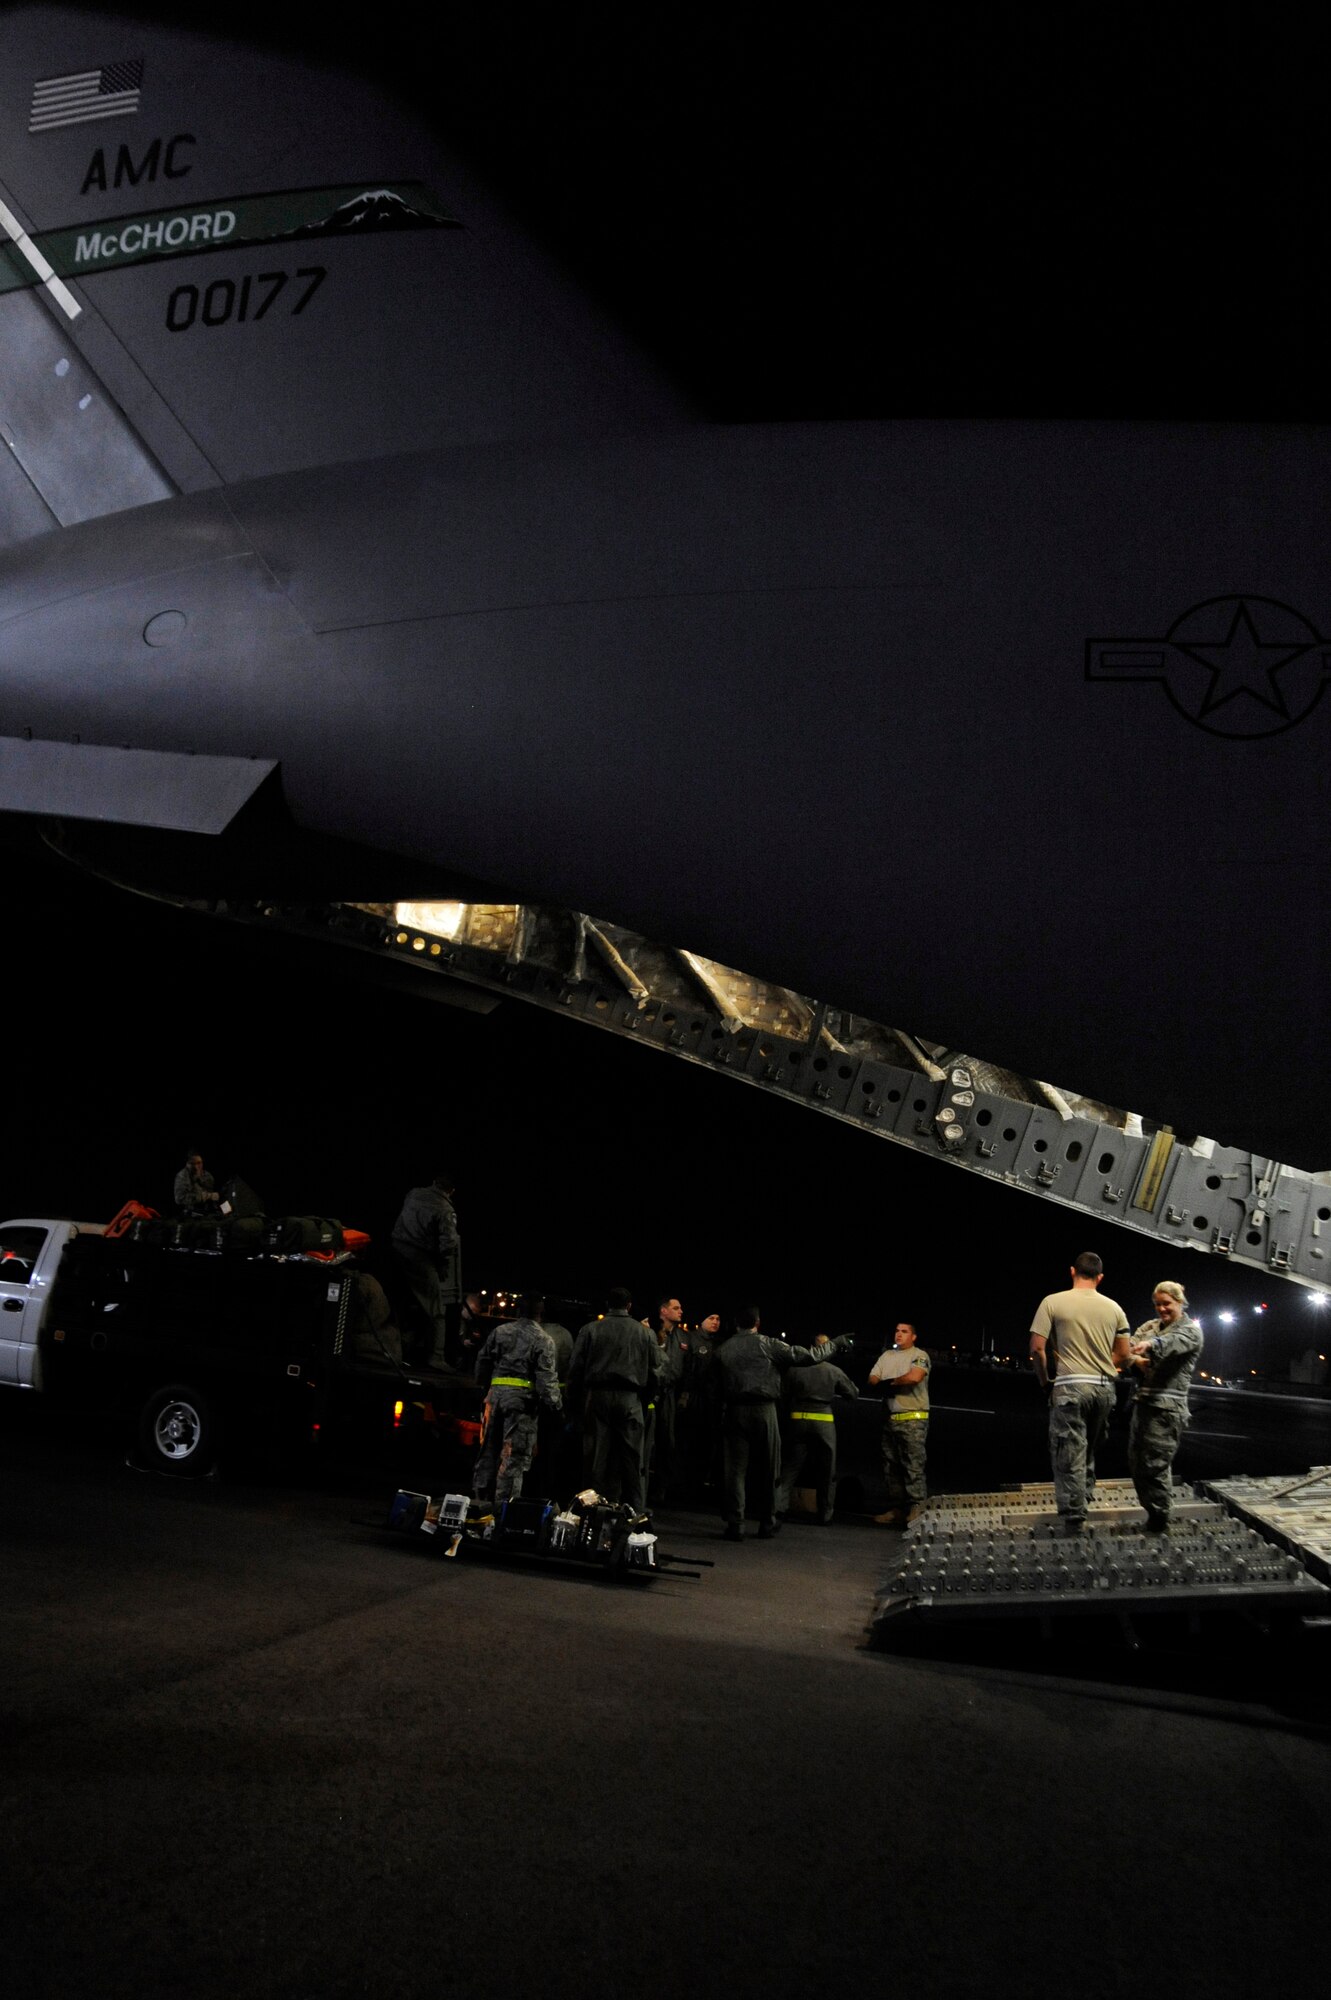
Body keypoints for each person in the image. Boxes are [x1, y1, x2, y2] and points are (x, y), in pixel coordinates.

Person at [714, 1308, 849, 1540]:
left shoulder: (723, 1349)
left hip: (735, 1411)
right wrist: (835, 1344)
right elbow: (807, 1357)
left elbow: (713, 1385)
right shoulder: (768, 1344)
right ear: (757, 1322)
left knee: (735, 1471)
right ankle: (768, 1522)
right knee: (770, 1468)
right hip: (764, 1410)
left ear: (736, 1323)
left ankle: (736, 1524)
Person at [1029, 1251, 1131, 1534]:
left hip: (1070, 1386)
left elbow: (1037, 1348)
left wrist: (1045, 1381)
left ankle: (1075, 1519)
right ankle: (1083, 1496)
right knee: (1088, 1449)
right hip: (1103, 1388)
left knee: (1068, 1452)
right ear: (1100, 1277)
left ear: (1072, 1271)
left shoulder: (1053, 1302)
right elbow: (1123, 1354)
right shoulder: (1115, 1308)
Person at [567, 1287, 662, 1512]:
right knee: (632, 1460)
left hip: (597, 1397)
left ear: (607, 1305)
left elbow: (575, 1370)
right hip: (631, 1399)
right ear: (629, 1306)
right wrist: (644, 1399)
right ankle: (634, 1513)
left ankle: (590, 1512)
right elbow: (655, 1372)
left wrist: (574, 1404)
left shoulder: (590, 1330)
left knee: (595, 1459)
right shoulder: (645, 1333)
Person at [1125, 1280, 1204, 1532]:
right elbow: (1126, 1349)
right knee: (1138, 1463)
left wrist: (1149, 1346)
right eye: (1158, 1304)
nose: (1162, 1309)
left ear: (1180, 1302)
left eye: (1167, 1303)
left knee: (1155, 1465)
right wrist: (1136, 1360)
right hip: (1143, 1404)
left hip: (1166, 1410)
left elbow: (1171, 1343)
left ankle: (1160, 1518)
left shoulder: (1190, 1331)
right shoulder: (1150, 1326)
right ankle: (1154, 1512)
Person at [471, 1292, 561, 1504]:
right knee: (513, 1457)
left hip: (493, 1399)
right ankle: (503, 1508)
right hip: (521, 1404)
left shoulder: (500, 1332)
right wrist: (555, 1405)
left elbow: (482, 1360)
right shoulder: (542, 1339)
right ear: (541, 1313)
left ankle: (478, 1501)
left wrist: (484, 1386)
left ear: (518, 1310)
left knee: (487, 1452)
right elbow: (546, 1378)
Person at [777, 1342, 858, 1523]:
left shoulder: (794, 1369)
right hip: (823, 1421)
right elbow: (852, 1394)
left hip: (797, 1419)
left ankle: (778, 1507)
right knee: (827, 1470)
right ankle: (825, 1513)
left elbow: (782, 1393)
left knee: (790, 1467)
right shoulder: (833, 1370)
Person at [391, 1174, 461, 1367]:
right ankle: (436, 1358)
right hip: (419, 1257)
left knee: (404, 1306)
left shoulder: (413, 1194)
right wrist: (444, 1264)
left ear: (434, 1182)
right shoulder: (445, 1209)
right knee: (436, 1311)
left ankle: (399, 1349)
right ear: (452, 1191)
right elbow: (449, 1243)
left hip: (396, 1251)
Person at [869, 1322, 931, 1526]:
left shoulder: (919, 1355)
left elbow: (915, 1377)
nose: (899, 1334)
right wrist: (889, 1382)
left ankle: (916, 1508)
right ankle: (896, 1508)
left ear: (913, 1336)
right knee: (891, 1467)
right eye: (896, 1330)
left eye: (904, 1331)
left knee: (913, 1466)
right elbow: (872, 1378)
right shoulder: (887, 1356)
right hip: (890, 1420)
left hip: (912, 1419)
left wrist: (890, 1382)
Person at [645, 1295, 685, 1502]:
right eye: (676, 1308)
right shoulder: (647, 1331)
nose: (680, 1311)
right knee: (645, 1442)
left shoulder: (681, 1338)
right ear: (663, 1311)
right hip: (650, 1394)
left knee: (666, 1443)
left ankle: (660, 1489)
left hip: (669, 1396)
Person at [173, 1150, 220, 1219]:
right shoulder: (182, 1176)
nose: (197, 1166)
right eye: (193, 1164)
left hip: (208, 1214)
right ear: (188, 1163)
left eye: (199, 1163)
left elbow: (214, 1196)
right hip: (189, 1216)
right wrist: (204, 1197)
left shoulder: (208, 1176)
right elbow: (180, 1199)